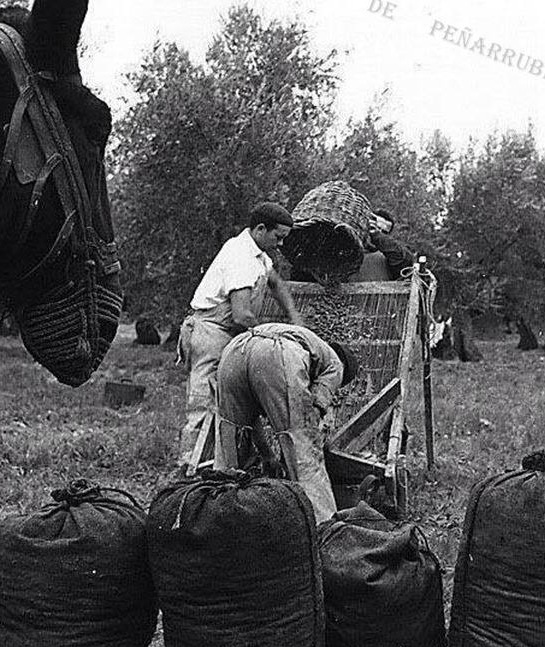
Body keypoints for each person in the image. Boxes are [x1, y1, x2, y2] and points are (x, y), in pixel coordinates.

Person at [177, 202, 303, 470]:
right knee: (204, 405)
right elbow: (241, 315)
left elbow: (276, 283)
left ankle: (241, 462)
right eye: (277, 237)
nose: (280, 244)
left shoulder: (259, 255)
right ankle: (187, 470)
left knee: (237, 398)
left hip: (228, 334)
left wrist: (296, 320)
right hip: (211, 332)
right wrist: (272, 340)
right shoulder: (240, 256)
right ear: (260, 229)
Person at [213, 323, 358, 523]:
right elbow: (311, 417)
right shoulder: (336, 364)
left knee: (232, 443)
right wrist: (299, 449)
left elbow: (250, 420)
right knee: (305, 453)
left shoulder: (308, 342)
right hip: (276, 354)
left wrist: (267, 455)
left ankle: (221, 523)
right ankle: (324, 529)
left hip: (234, 350)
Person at [347, 209, 414, 282]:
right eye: (375, 228)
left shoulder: (389, 257)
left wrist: (375, 234)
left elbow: (404, 259)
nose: (379, 233)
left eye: (383, 232)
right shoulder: (349, 252)